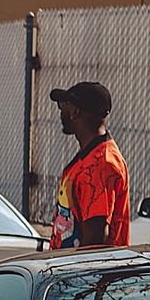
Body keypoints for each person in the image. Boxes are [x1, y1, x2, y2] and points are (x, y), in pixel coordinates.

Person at [49, 81, 130, 250]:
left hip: (84, 266)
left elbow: (95, 239)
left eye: (63, 105)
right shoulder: (90, 156)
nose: (61, 111)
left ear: (75, 112)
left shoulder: (100, 166)